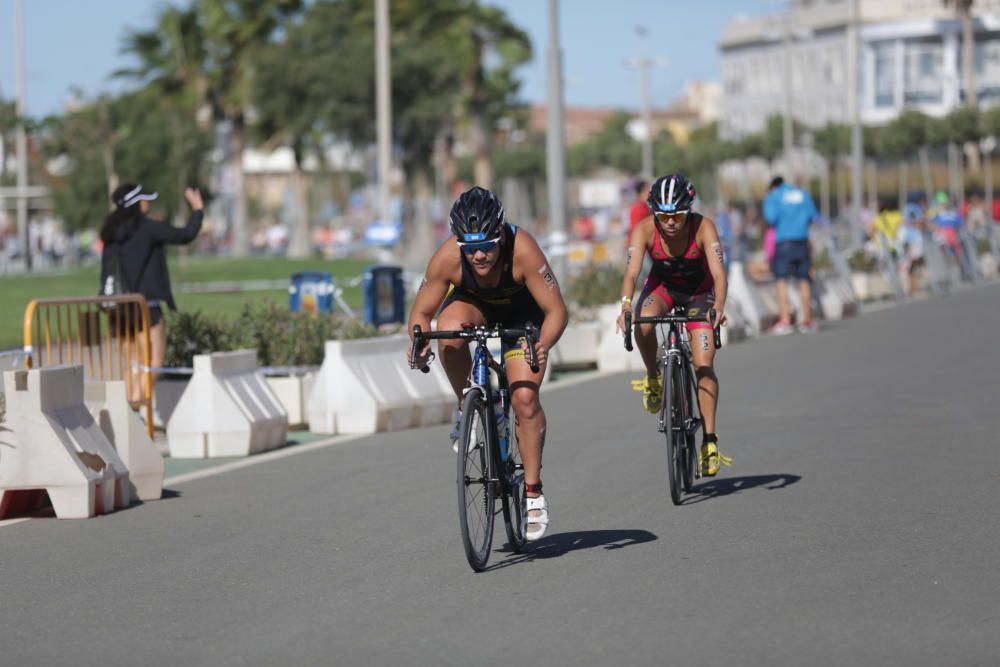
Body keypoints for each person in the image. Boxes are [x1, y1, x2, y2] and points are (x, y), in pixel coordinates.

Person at [407, 186, 568, 541]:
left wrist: (543, 344)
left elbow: (556, 311)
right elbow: (421, 312)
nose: (479, 255)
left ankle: (532, 492)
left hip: (523, 316)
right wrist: (417, 340)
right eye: (470, 248)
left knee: (524, 399)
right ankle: (469, 405)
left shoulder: (523, 249)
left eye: (487, 246)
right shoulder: (448, 257)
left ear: (500, 234)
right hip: (475, 306)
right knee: (447, 331)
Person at [616, 174, 731, 477]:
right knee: (642, 323)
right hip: (663, 288)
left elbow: (719, 274)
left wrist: (719, 305)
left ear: (688, 211)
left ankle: (709, 440)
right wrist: (626, 306)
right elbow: (631, 274)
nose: (670, 222)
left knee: (703, 366)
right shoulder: (643, 230)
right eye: (663, 215)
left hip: (700, 293)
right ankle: (654, 376)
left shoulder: (704, 227)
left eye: (677, 215)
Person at [100, 183, 204, 405]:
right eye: (145, 199)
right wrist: (197, 210)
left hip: (117, 308)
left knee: (134, 364)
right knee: (153, 361)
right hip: (146, 307)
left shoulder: (110, 233)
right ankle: (137, 407)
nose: (148, 202)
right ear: (136, 204)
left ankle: (129, 410)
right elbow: (185, 234)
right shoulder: (147, 227)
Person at [762, 176, 819, 334]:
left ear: (773, 186)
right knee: (804, 279)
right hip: (802, 241)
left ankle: (785, 320)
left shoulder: (774, 196)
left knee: (781, 280)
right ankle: (806, 320)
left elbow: (770, 218)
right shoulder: (802, 194)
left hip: (784, 242)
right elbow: (811, 216)